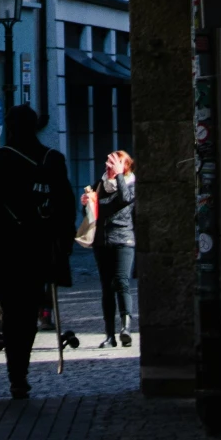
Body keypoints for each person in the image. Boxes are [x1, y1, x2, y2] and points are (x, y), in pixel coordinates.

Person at [0, 103, 77, 400]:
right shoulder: (52, 159)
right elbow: (65, 204)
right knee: (29, 309)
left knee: (10, 309)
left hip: (4, 248)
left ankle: (15, 372)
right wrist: (64, 243)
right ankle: (21, 370)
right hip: (39, 246)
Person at [85, 148, 136, 349]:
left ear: (125, 166)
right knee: (106, 288)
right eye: (107, 163)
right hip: (102, 241)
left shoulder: (130, 183)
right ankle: (109, 335)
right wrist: (87, 203)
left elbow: (124, 199)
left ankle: (126, 328)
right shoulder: (100, 184)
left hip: (123, 240)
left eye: (113, 163)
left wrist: (120, 176)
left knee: (122, 282)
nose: (108, 167)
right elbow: (95, 211)